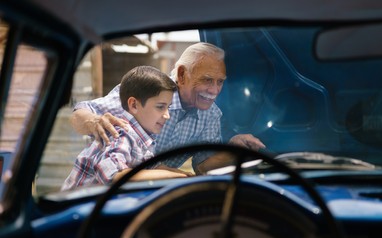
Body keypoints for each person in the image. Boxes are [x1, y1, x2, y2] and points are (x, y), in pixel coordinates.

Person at [70, 42, 265, 175]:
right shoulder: (147, 90)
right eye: (207, 80)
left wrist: (232, 149)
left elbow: (202, 166)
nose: (214, 90)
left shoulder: (212, 115)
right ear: (181, 75)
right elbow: (79, 113)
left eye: (220, 82)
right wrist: (94, 122)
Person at [62, 66, 192, 191]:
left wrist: (183, 175)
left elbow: (151, 168)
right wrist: (174, 176)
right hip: (76, 208)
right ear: (134, 105)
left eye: (168, 107)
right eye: (160, 107)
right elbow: (114, 175)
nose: (167, 115)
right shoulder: (122, 133)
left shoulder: (144, 140)